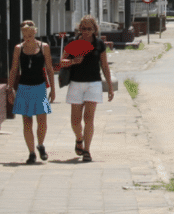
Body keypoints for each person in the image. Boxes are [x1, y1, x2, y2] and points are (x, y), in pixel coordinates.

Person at [61, 15, 114, 162]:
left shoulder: (99, 44)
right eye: (83, 28)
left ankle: (87, 150)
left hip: (93, 84)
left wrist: (110, 87)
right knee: (75, 121)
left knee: (89, 119)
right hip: (76, 83)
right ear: (80, 28)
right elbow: (62, 62)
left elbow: (105, 66)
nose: (86, 31)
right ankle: (79, 139)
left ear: (94, 29)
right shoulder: (73, 42)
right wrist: (73, 61)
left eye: (89, 29)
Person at [7, 21, 56, 164]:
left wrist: (53, 89)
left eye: (29, 35)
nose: (27, 38)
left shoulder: (43, 47)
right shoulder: (18, 48)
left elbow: (49, 69)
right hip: (24, 88)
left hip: (40, 87)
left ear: (35, 32)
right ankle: (31, 153)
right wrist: (10, 89)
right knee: (27, 122)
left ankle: (40, 145)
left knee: (42, 121)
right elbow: (14, 69)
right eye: (24, 35)